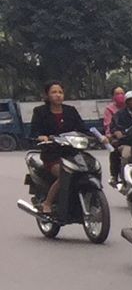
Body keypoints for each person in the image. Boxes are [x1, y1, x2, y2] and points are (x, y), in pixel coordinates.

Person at [28, 80, 87, 217]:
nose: (58, 95)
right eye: (54, 92)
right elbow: (34, 132)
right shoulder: (40, 112)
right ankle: (47, 203)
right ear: (47, 95)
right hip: (52, 155)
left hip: (72, 153)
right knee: (65, 174)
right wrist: (41, 137)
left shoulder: (71, 111)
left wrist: (98, 137)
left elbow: (83, 129)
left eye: (60, 92)